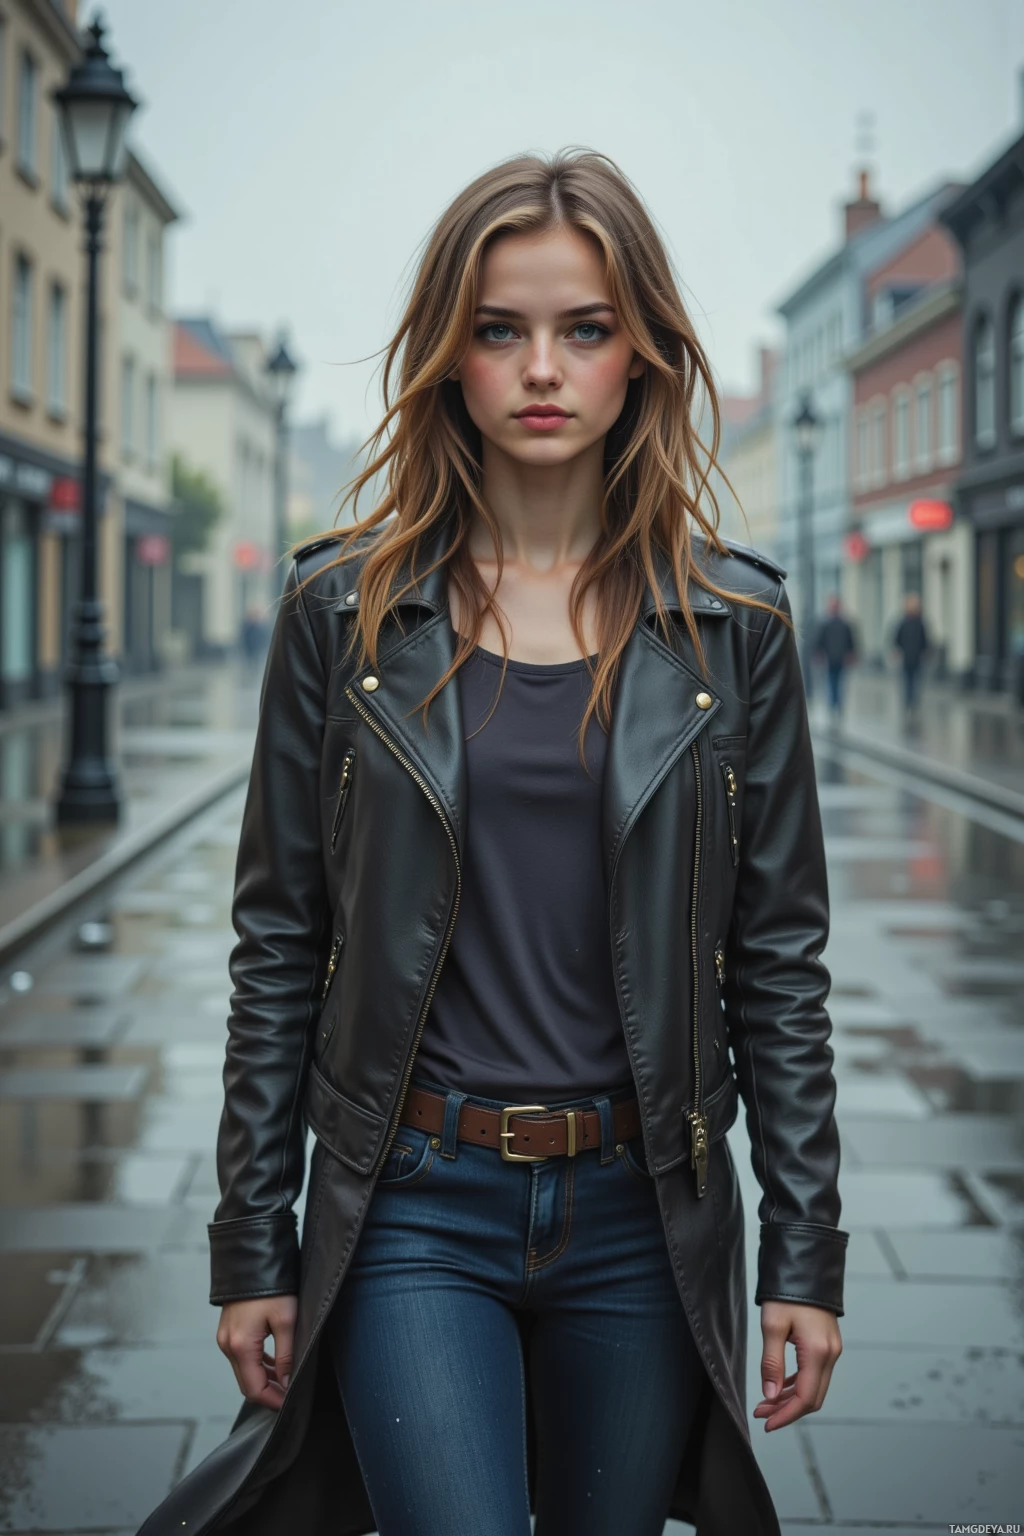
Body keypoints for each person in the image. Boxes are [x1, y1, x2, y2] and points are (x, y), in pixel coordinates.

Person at [138, 150, 847, 1536]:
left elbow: (779, 964)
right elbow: (279, 942)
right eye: (499, 329)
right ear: (447, 356)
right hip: (413, 1205)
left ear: (639, 353)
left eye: (584, 329)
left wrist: (806, 1258)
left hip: (646, 1213)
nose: (542, 367)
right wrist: (250, 1245)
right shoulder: (342, 618)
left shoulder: (736, 632)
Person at [813, 593, 858, 720]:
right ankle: (832, 707)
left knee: (840, 684)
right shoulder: (825, 623)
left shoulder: (845, 623)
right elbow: (819, 641)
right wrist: (818, 654)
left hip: (841, 659)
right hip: (829, 659)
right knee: (831, 683)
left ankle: (838, 706)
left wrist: (852, 654)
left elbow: (851, 640)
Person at [892, 591, 930, 721]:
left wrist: (925, 652)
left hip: (917, 658)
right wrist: (897, 651)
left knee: (916, 682)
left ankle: (913, 704)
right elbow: (897, 639)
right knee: (908, 682)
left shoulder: (920, 623)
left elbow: (925, 640)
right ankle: (908, 703)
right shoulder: (903, 623)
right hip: (907, 658)